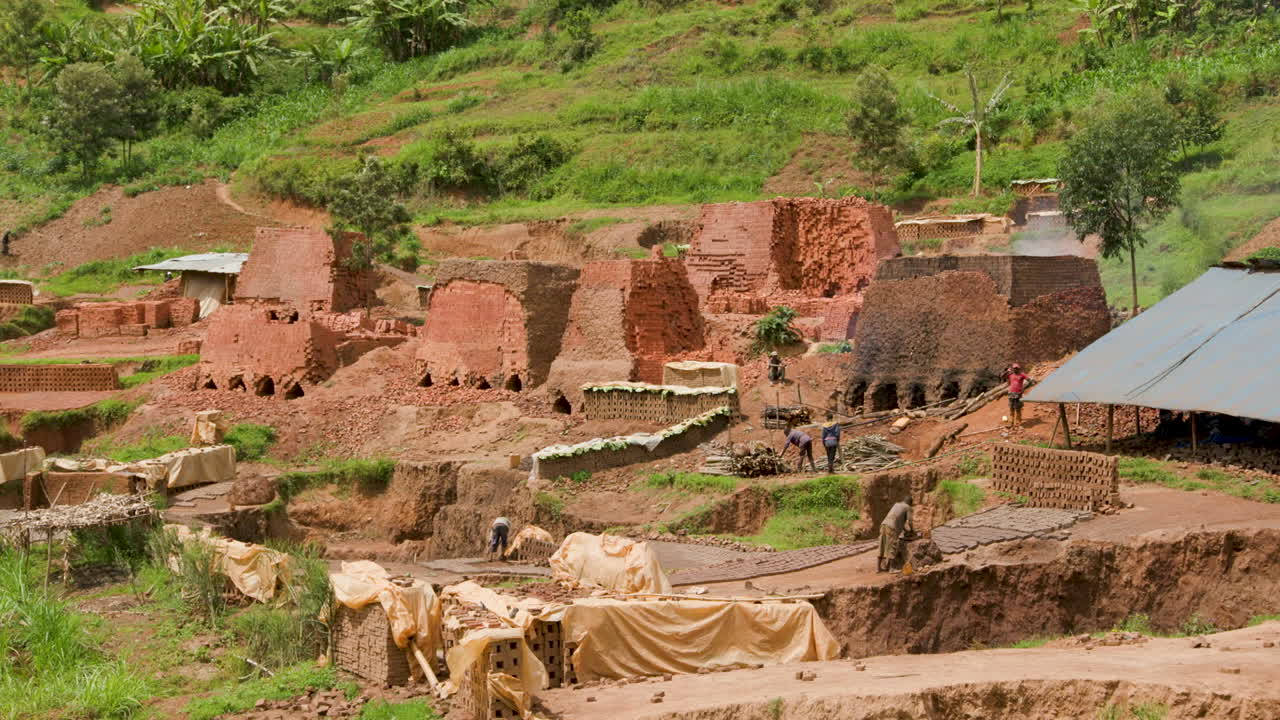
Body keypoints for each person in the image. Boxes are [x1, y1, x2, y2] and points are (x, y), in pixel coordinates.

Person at [877, 496, 914, 572]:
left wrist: (906, 530)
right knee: (892, 546)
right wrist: (912, 531)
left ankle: (878, 568)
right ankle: (891, 569)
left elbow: (898, 520)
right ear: (910, 503)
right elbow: (910, 522)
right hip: (892, 527)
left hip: (884, 525)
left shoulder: (896, 504)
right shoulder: (908, 507)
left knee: (882, 545)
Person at [1004, 363, 1032, 429]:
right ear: (1013, 368)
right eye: (1014, 368)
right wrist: (1007, 371)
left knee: (1018, 409)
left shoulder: (1022, 374)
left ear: (1019, 368)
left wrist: (1023, 389)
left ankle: (1018, 423)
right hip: (1011, 393)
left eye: (1017, 368)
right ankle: (1011, 423)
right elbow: (1002, 376)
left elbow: (1029, 380)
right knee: (1011, 408)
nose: (1015, 369)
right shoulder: (1010, 374)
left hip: (1018, 394)